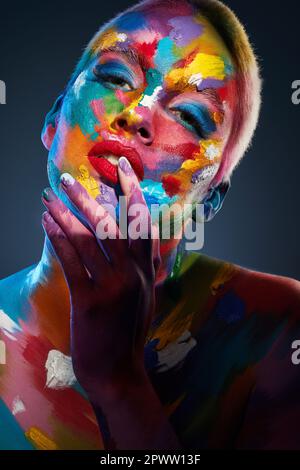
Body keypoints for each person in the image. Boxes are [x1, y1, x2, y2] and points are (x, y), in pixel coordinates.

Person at [0, 0, 299, 450]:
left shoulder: (274, 332)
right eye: (117, 77)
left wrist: (118, 382)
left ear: (210, 199)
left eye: (189, 116)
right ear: (53, 119)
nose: (138, 114)